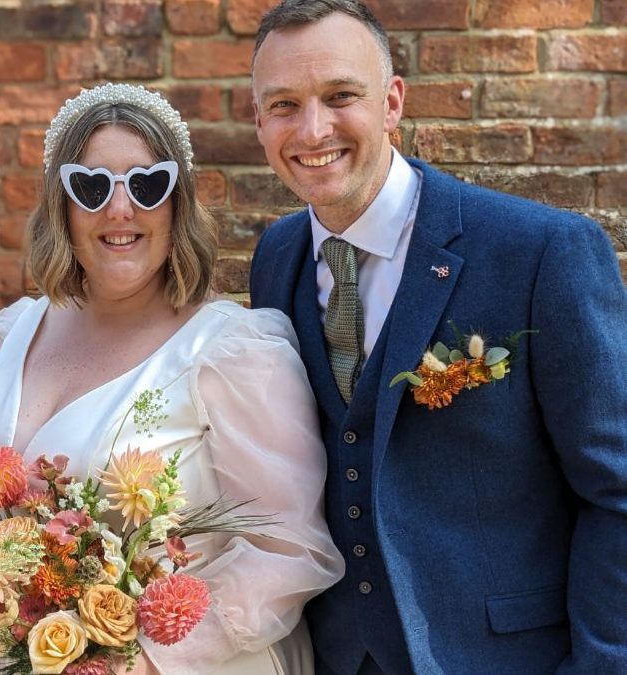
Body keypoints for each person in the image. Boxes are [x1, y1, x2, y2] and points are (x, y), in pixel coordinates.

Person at [248, 1, 627, 673]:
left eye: (341, 96)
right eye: (284, 105)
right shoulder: (276, 257)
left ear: (392, 102)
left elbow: (616, 490)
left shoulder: (541, 251)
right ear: (258, 121)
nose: (312, 129)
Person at [0, 83, 344, 674]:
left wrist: (141, 662)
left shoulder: (235, 352)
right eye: (91, 187)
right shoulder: (7, 336)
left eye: (147, 185)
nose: (120, 209)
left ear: (177, 204)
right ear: (61, 205)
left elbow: (289, 551)